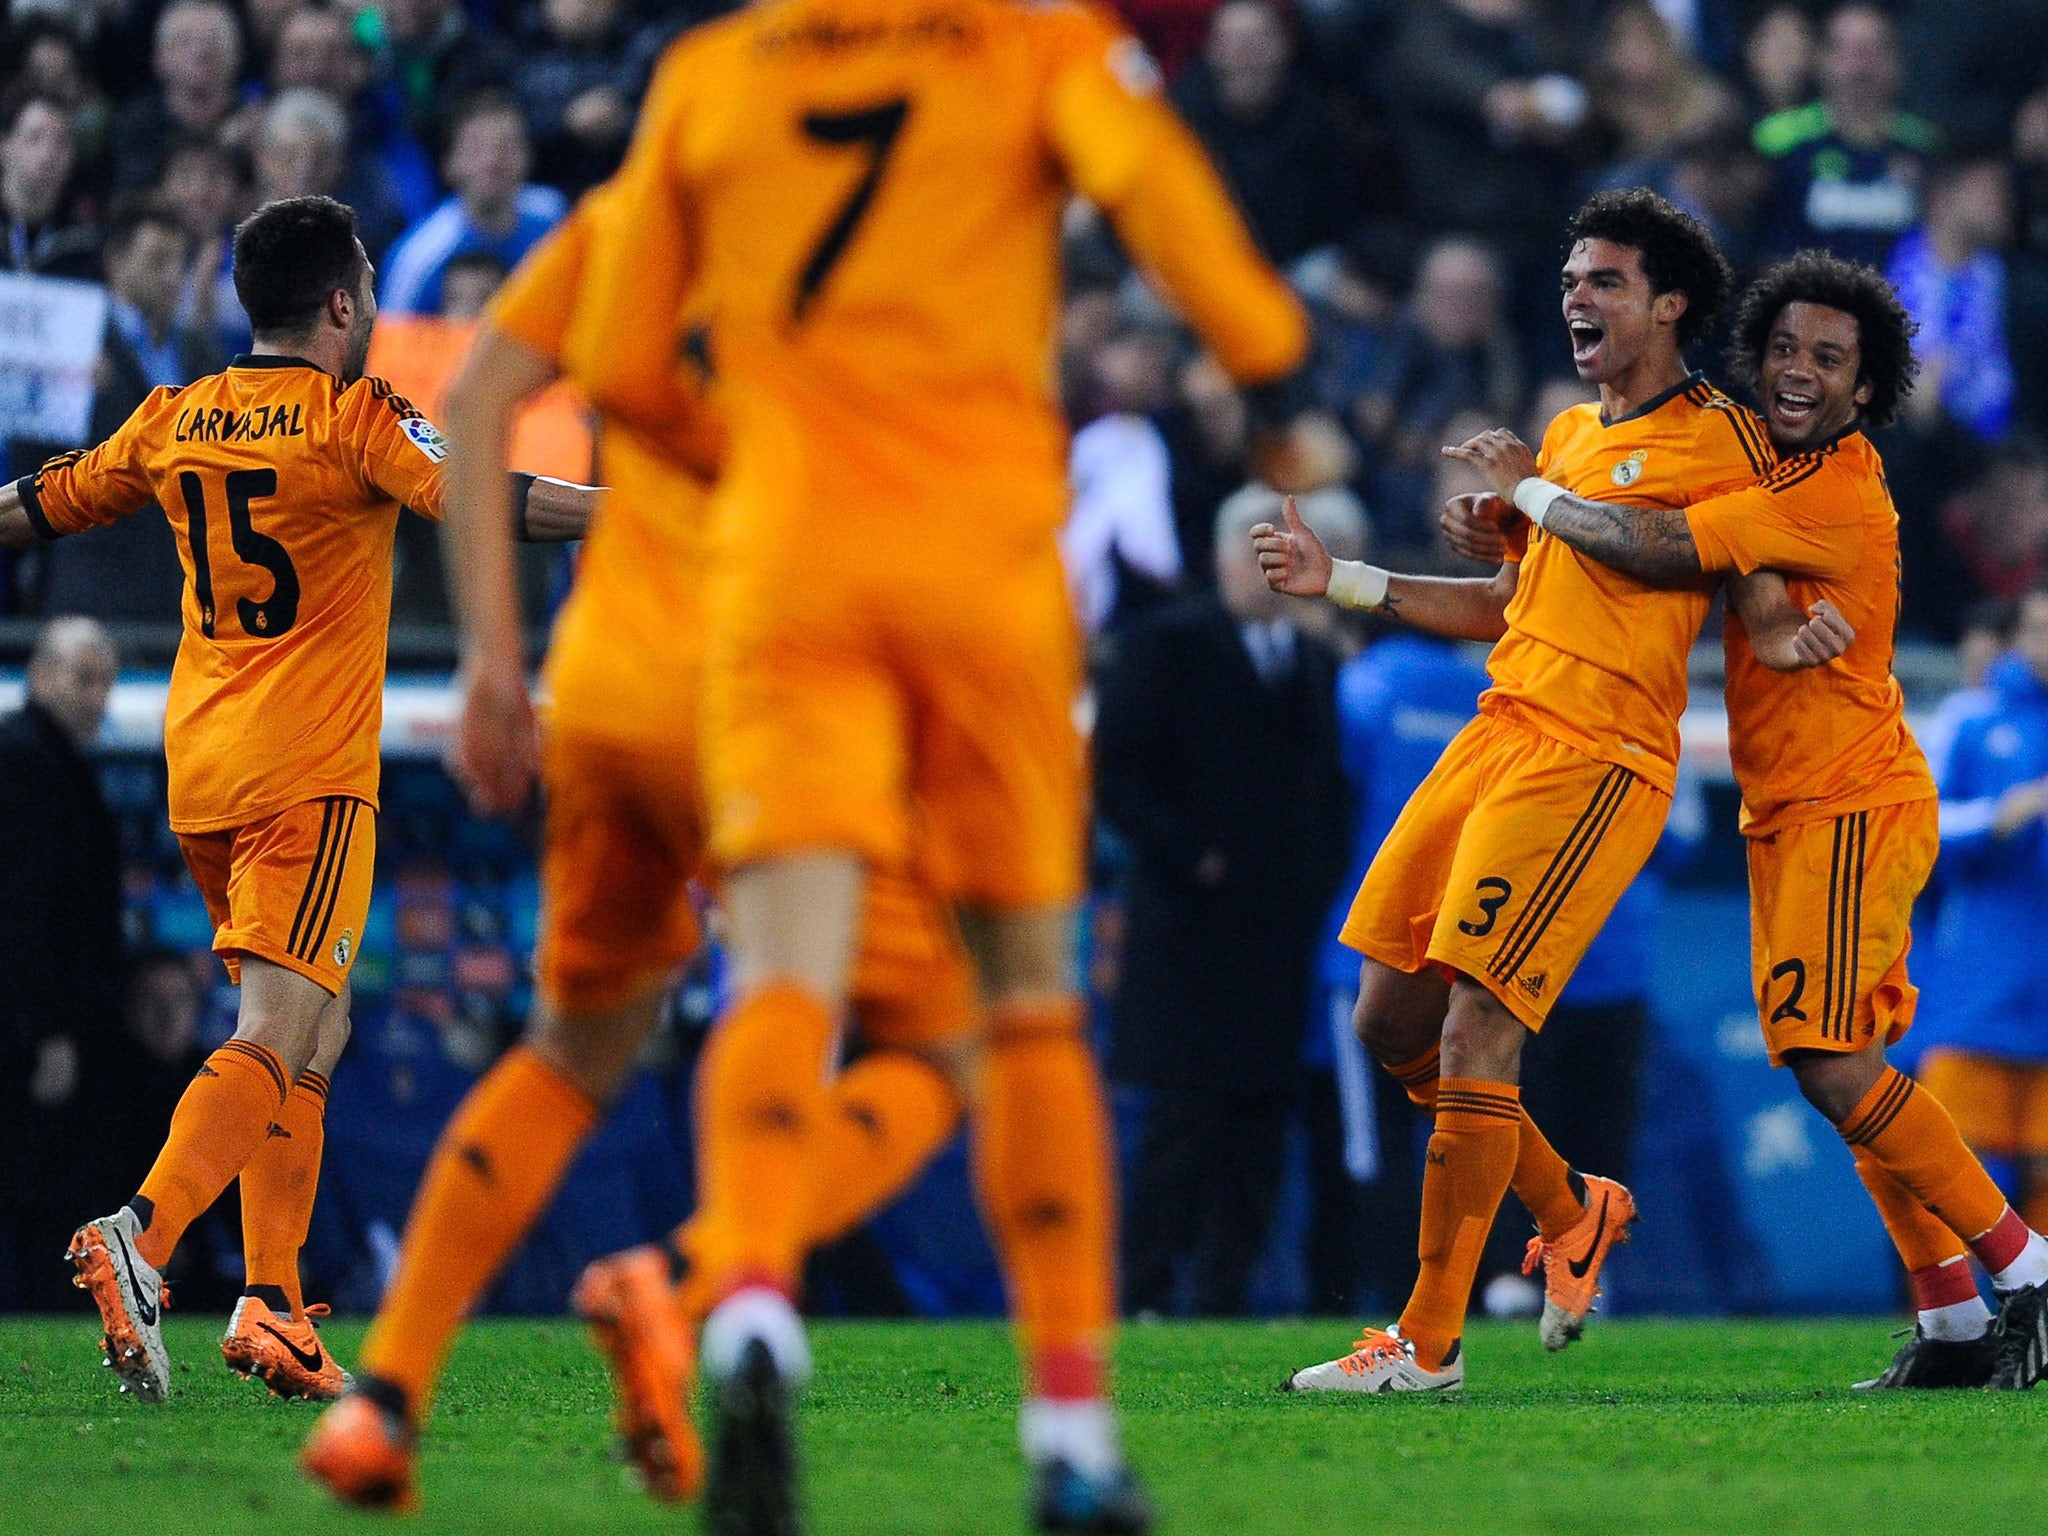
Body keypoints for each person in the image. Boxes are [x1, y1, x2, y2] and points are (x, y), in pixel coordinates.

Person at [539, 6, 1350, 1528]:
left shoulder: (713, 73)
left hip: (790, 580)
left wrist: (771, 462)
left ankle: (762, 1301)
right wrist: (1279, 378)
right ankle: (1068, 1434)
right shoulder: (1026, 41)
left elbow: (619, 364)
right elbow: (1163, 200)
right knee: (1025, 999)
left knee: (784, 975)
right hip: (980, 567)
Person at [300, 185, 990, 1518]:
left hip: (608, 689)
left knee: (567, 1056)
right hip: (762, 690)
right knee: (917, 1045)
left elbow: (485, 400)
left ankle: (385, 1401)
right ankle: (690, 1289)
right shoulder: (873, 243)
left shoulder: (634, 214)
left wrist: (498, 665)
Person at [0, 195, 596, 1405]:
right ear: (340, 304)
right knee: (274, 1034)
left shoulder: (176, 417)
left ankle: (271, 1304)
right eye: (368, 284)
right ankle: (144, 1238)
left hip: (202, 771)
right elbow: (480, 492)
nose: (374, 304)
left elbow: (45, 499)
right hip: (307, 778)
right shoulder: (351, 418)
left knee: (312, 1031)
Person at [1254, 189, 1846, 1393]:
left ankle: (1424, 1343)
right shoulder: (1568, 441)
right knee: (1386, 1022)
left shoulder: (1725, 440)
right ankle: (1569, 1209)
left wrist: (1780, 637)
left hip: (1595, 758)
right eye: (1571, 278)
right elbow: (1511, 608)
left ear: (1668, 304)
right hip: (1495, 732)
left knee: (1480, 1025)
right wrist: (1349, 580)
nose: (1575, 296)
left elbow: (1688, 564)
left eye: (1605, 281)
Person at [1443, 250, 2048, 1391]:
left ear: (1864, 392)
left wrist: (1532, 490)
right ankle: (1954, 1321)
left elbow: (1655, 543)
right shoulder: (1760, 471)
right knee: (1846, 1065)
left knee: (1828, 1058)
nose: (1798, 372)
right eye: (1782, 348)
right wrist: (1521, 541)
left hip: (1850, 798)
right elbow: (1669, 546)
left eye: (1828, 359)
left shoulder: (1831, 487)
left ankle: (2022, 1267)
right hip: (1796, 808)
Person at [1096, 485, 1354, 1317]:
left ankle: (1221, 1297)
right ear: (1216, 557)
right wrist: (1190, 857)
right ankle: (1141, 1292)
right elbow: (1117, 774)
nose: (1265, 565)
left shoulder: (1314, 665)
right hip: (1188, 939)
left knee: (1259, 1132)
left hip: (1278, 941)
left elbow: (1327, 796)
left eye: (1281, 548)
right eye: (1253, 548)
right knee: (1182, 1127)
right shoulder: (1168, 644)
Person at [1915, 587, 2048, 1252]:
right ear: (2020, 636)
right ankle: (1953, 1318)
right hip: (1980, 984)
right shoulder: (1972, 719)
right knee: (1954, 1160)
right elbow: (1920, 820)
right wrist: (1999, 816)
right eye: (2040, 629)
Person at [0, 617, 122, 1311]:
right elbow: (23, 911)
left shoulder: (55, 761)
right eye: (83, 678)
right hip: (25, 1036)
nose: (97, 696)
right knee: (33, 1192)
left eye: (104, 680)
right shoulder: (26, 762)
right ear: (41, 675)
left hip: (40, 1025)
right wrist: (46, 1030)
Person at [42, 202, 224, 623]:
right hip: (93, 587)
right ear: (116, 261)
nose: (172, 275)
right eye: (157, 259)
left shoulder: (205, 358)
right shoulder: (73, 344)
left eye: (180, 260)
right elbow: (35, 462)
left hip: (183, 594)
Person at [1753, 3, 1937, 269]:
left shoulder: (1924, 146)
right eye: (1844, 51)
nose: (1858, 67)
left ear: (1896, 62)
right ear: (1820, 60)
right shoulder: (1776, 140)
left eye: (1870, 51)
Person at [378, 90, 565, 317]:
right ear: (448, 164)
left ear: (528, 156)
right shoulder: (418, 259)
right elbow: (390, 343)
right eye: (476, 147)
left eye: (508, 144)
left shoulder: (554, 216)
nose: (494, 160)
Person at [2, 90, 99, 280]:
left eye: (60, 143)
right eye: (34, 137)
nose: (48, 154)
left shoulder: (85, 243)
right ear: (5, 145)